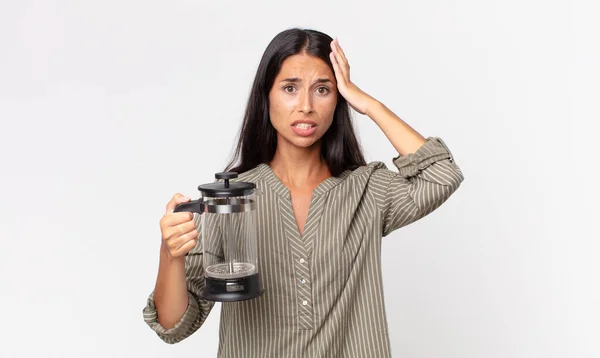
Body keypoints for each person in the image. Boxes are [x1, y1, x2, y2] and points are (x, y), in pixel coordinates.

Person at [143, 28, 464, 357]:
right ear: (266, 95)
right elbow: (174, 325)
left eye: (323, 89)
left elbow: (442, 175)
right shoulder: (229, 199)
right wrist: (170, 255)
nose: (306, 106)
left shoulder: (368, 189)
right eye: (290, 88)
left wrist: (367, 103)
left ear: (338, 98)